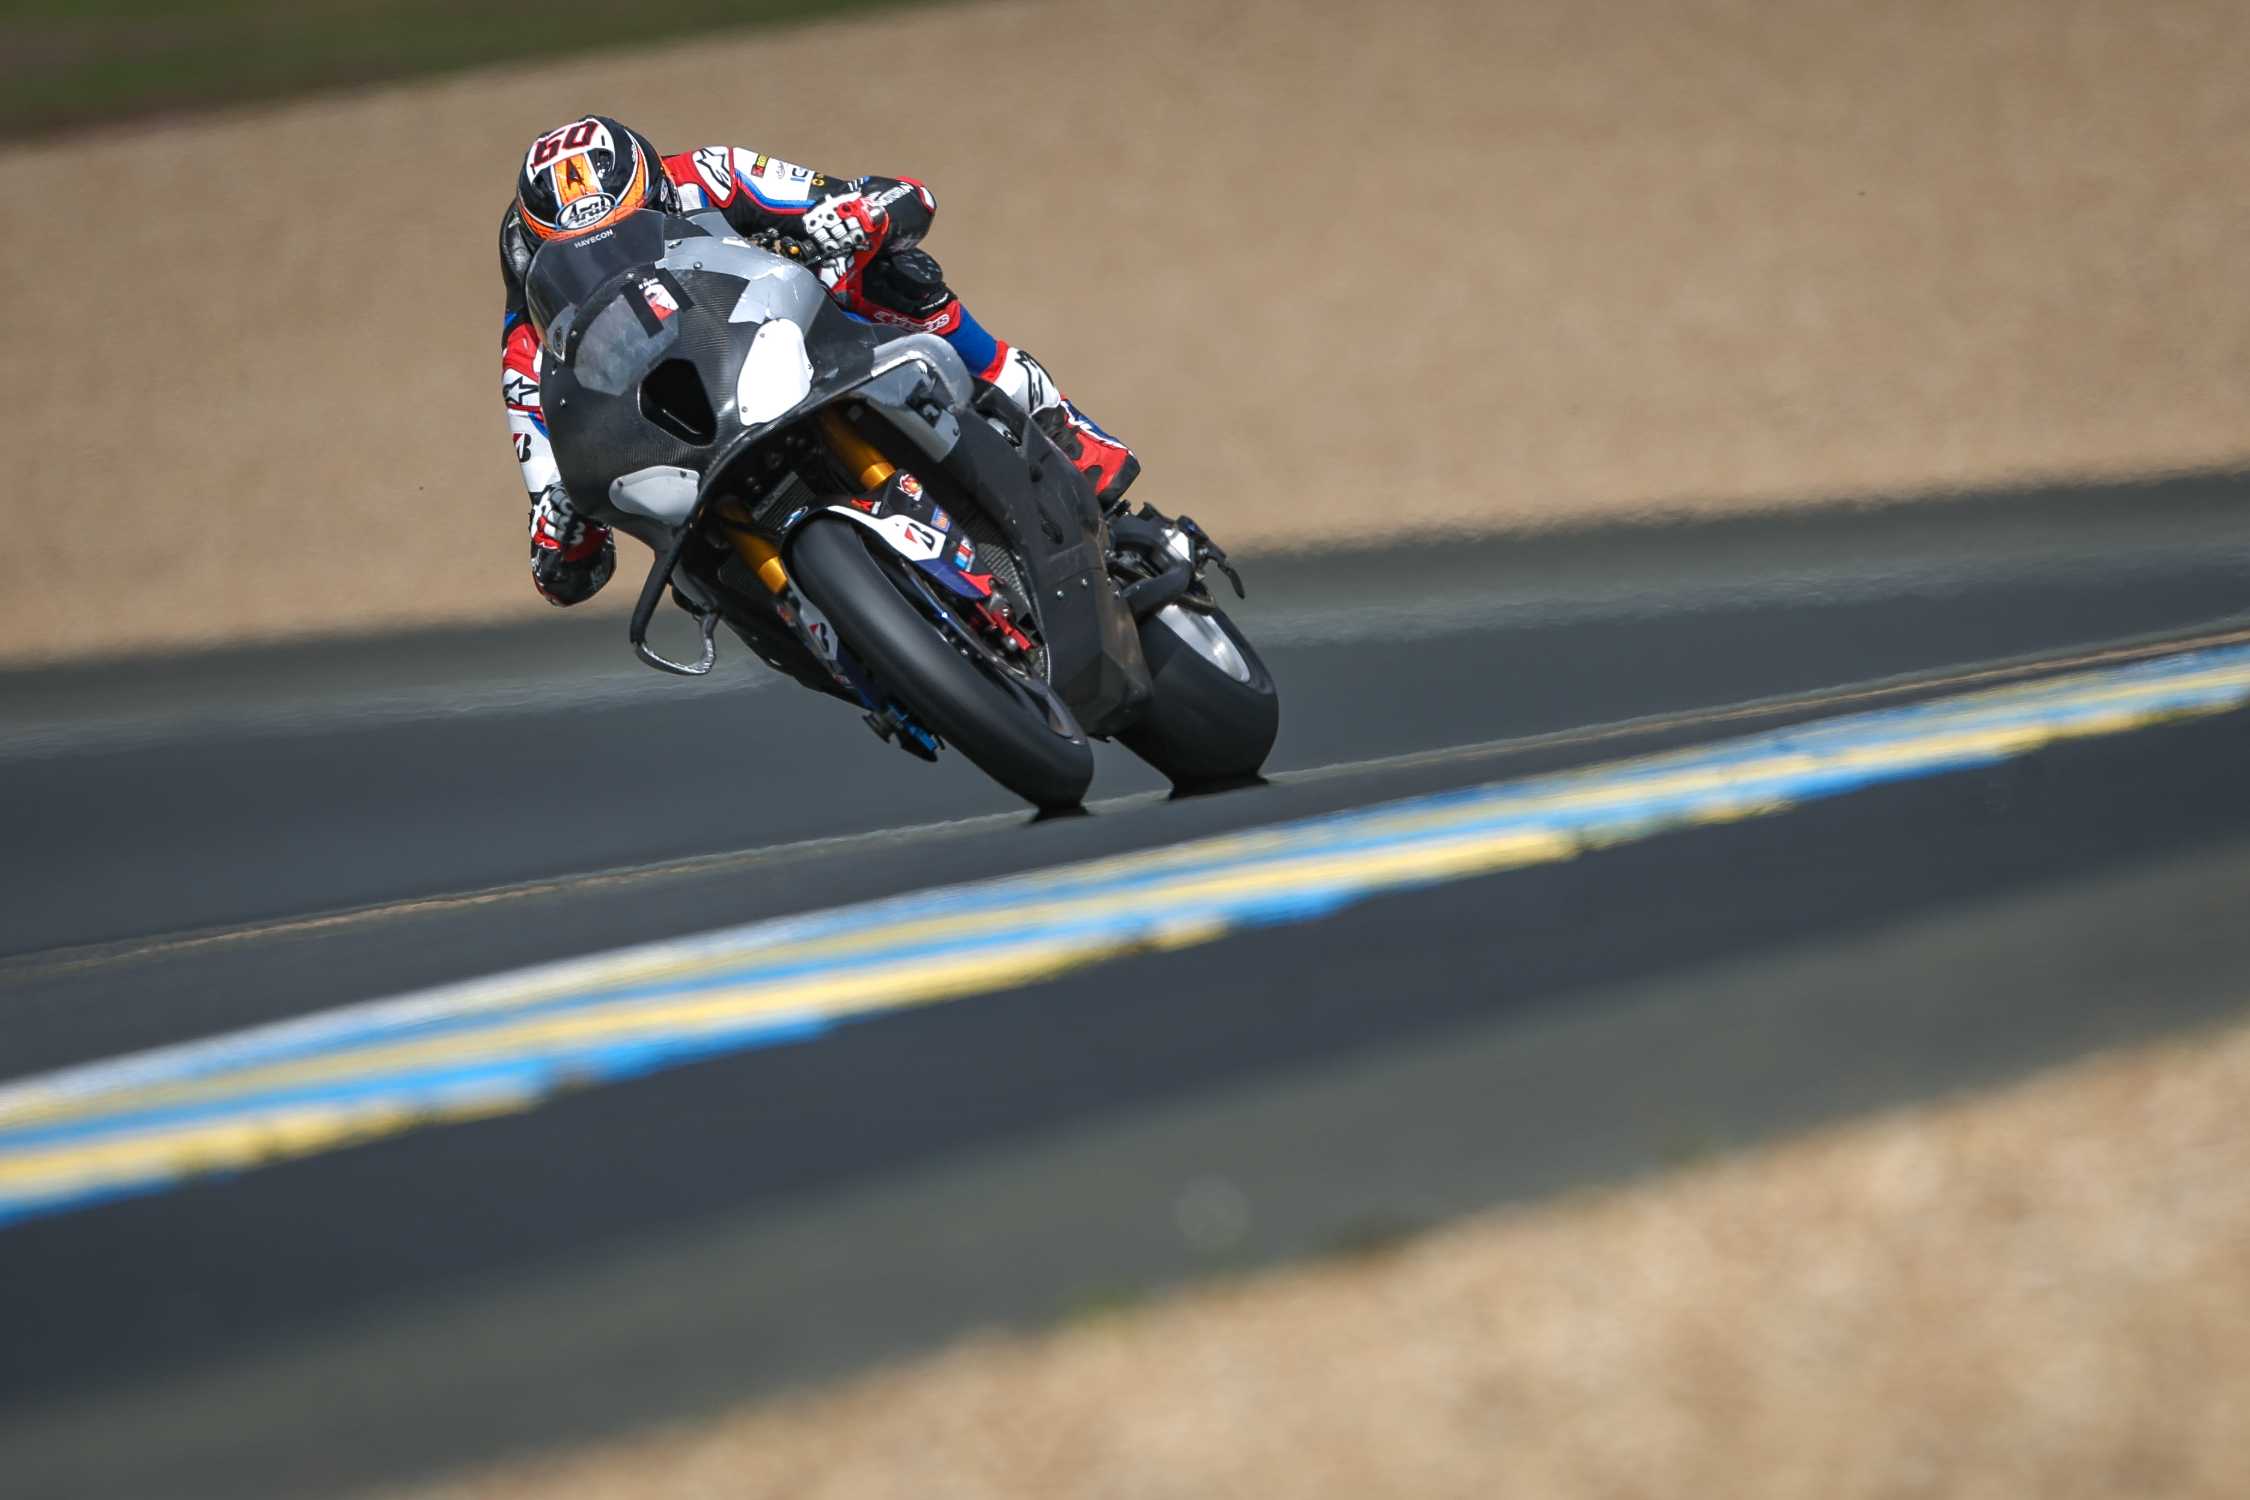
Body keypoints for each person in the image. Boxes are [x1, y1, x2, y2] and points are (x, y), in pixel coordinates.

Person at [499, 114, 1141, 606]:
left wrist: (857, 215)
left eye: (626, 232)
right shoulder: (530, 330)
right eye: (584, 256)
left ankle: (1053, 420)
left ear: (659, 191)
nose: (609, 264)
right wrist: (560, 521)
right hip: (680, 453)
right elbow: (562, 568)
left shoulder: (711, 173)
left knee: (896, 275)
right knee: (688, 581)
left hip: (776, 351)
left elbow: (904, 198)